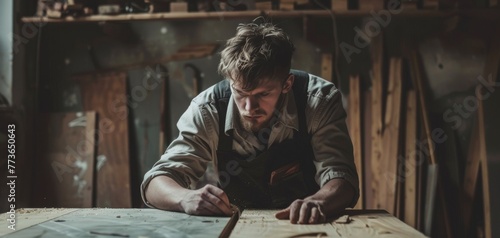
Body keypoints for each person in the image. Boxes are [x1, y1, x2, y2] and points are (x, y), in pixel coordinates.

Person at [141, 21, 359, 224]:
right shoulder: (208, 109)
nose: (249, 108)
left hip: (304, 225)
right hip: (236, 225)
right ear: (230, 81)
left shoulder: (318, 101)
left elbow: (341, 175)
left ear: (287, 84)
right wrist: (184, 198)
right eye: (240, 93)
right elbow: (156, 181)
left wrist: (320, 202)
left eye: (263, 94)